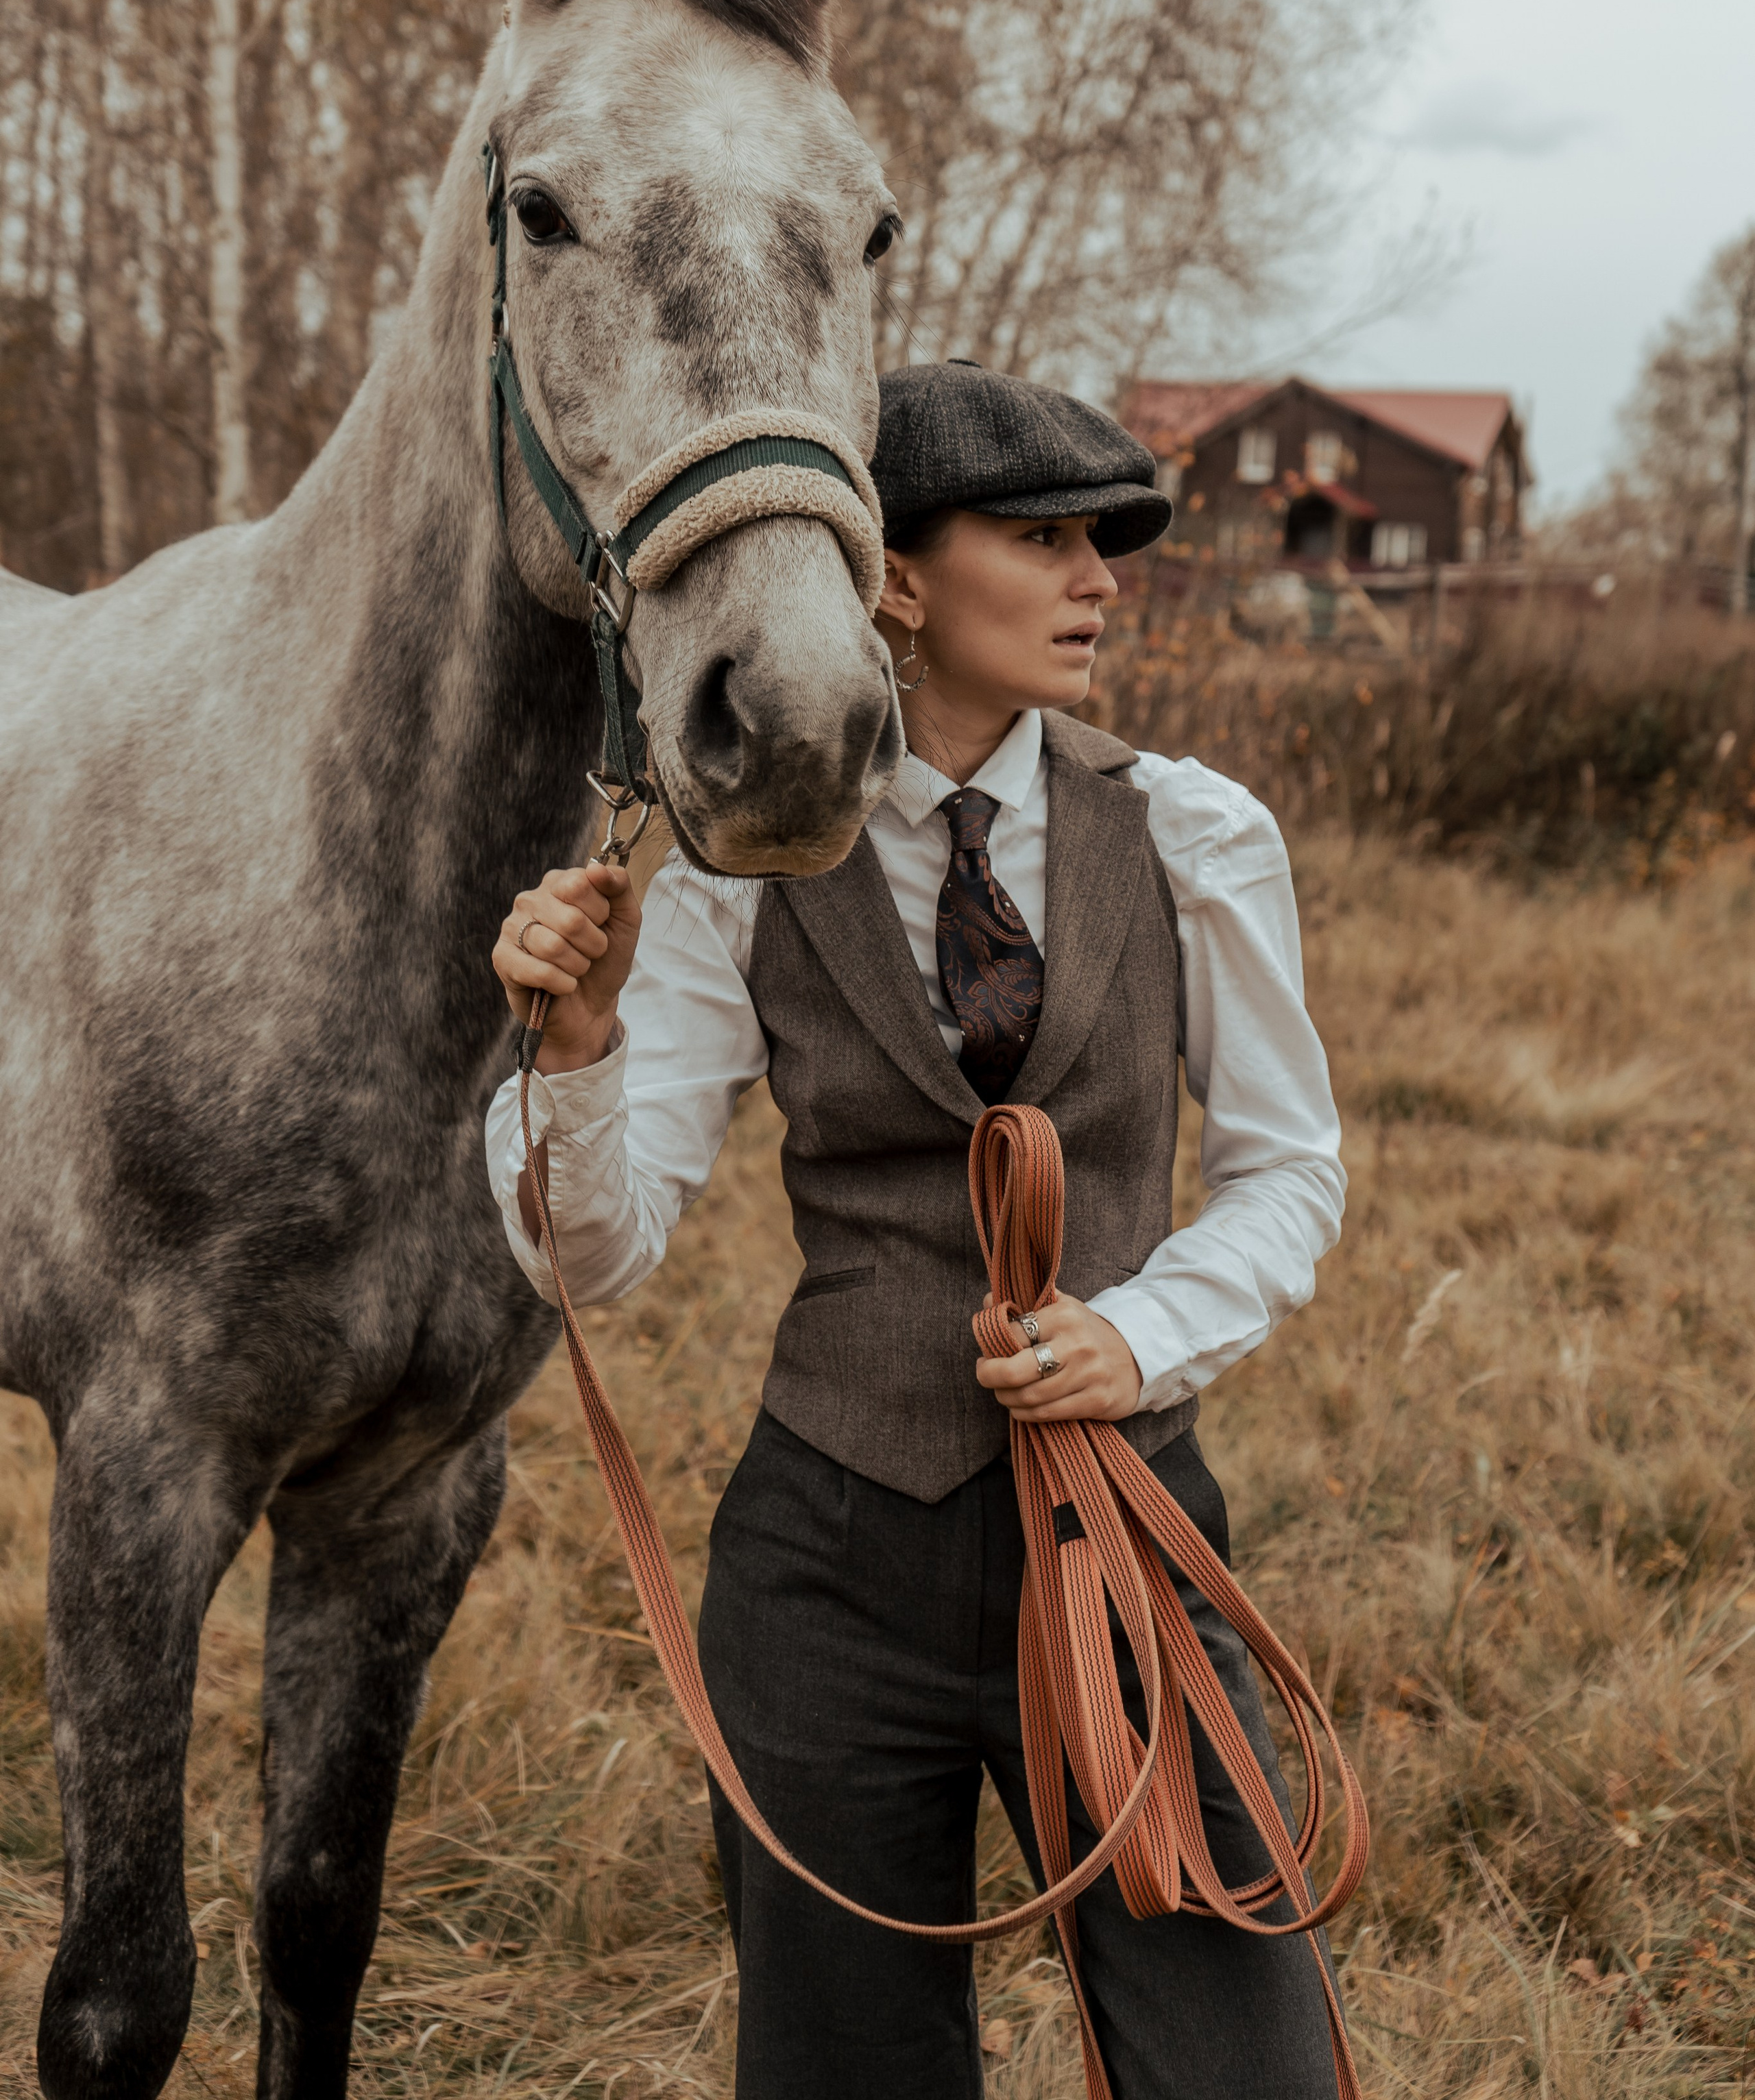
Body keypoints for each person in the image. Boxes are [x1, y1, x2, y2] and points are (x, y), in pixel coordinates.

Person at [485, 358, 1348, 2099]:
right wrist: (571, 1059)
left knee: (1233, 2060)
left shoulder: (1190, 834)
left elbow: (1289, 1173)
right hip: (828, 1566)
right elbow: (594, 1251)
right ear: (892, 577)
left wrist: (1142, 1332)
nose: (1096, 578)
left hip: (1120, 1549)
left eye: (1103, 541)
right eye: (1038, 537)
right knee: (843, 2071)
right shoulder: (745, 866)